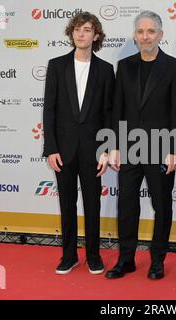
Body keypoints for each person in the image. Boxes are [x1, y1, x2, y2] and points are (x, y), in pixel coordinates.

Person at [105, 11, 176, 280]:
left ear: (160, 35)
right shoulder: (124, 65)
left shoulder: (174, 67)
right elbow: (117, 108)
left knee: (162, 206)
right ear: (134, 35)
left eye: (151, 31)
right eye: (140, 31)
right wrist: (114, 145)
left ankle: (157, 261)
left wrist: (175, 149)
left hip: (162, 148)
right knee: (127, 205)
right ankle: (126, 260)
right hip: (129, 148)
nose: (145, 36)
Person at [42, 12, 114, 275]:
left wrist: (106, 149)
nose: (81, 34)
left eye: (87, 30)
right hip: (63, 149)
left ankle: (94, 256)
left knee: (93, 204)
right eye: (77, 29)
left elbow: (109, 112)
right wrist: (50, 148)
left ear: (96, 36)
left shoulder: (106, 70)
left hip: (94, 150)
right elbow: (49, 109)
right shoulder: (56, 65)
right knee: (67, 204)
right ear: (71, 33)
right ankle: (69, 255)